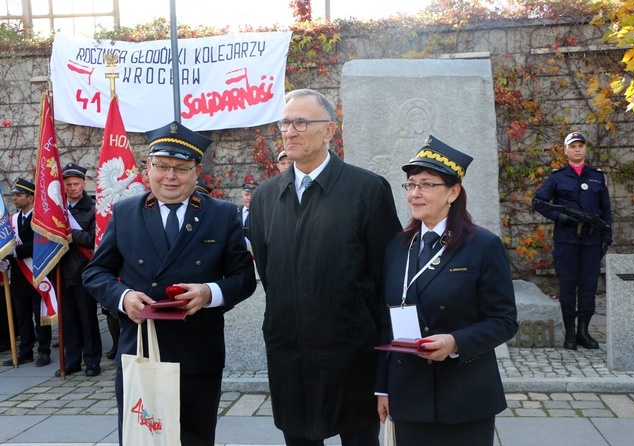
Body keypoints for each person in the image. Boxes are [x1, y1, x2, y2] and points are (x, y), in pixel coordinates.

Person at [83, 120, 256, 446]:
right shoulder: (125, 213)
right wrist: (124, 297)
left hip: (197, 352)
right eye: (161, 166)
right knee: (140, 439)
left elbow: (244, 278)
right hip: (142, 349)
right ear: (147, 169)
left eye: (181, 168)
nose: (170, 176)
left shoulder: (222, 215)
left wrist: (209, 293)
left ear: (197, 170)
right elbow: (95, 273)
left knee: (195, 439)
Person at [250, 88, 401, 446]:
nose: (291, 131)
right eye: (285, 122)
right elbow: (271, 274)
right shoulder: (266, 197)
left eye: (302, 122)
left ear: (329, 131)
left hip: (352, 355)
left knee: (359, 437)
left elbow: (387, 278)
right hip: (291, 355)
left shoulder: (367, 189)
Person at [375, 135, 518, 445]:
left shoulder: (482, 246)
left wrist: (455, 342)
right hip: (408, 393)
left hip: (464, 395)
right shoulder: (397, 248)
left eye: (426, 184)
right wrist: (383, 388)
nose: (414, 193)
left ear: (453, 192)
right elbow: (387, 322)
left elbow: (504, 321)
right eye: (411, 185)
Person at [533, 131, 612, 350]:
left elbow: (606, 210)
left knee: (588, 287)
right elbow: (538, 202)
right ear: (566, 151)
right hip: (566, 241)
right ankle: (569, 333)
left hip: (591, 241)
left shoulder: (597, 176)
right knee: (567, 286)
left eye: (581, 145)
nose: (577, 149)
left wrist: (607, 237)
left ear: (585, 149)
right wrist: (560, 217)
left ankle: (583, 332)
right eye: (573, 146)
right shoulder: (557, 177)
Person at [57, 163, 103, 377]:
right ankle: (72, 360)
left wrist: (67, 231)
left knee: (88, 320)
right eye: (68, 185)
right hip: (61, 271)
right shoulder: (57, 209)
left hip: (84, 271)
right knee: (69, 322)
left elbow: (94, 239)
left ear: (84, 184)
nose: (73, 188)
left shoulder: (93, 208)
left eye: (76, 184)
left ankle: (92, 361)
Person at [1, 178, 52, 367]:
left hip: (37, 272)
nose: (14, 198)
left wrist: (15, 252)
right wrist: (4, 259)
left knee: (40, 316)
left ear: (30, 198)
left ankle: (44, 351)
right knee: (22, 316)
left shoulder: (40, 218)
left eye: (19, 195)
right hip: (19, 274)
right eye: (14, 195)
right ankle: (25, 351)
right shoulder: (13, 220)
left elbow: (41, 243)